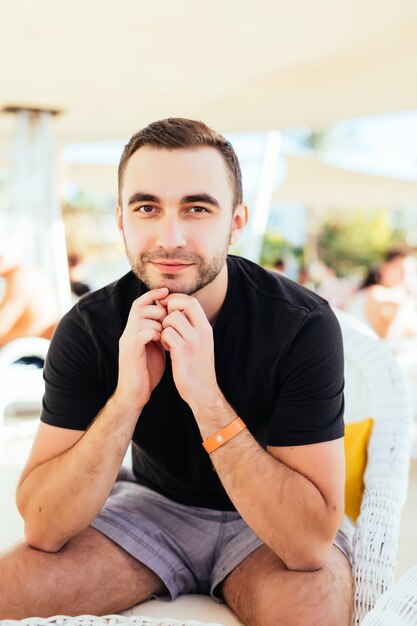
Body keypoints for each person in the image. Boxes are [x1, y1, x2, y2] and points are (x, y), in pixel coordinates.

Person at [0, 119, 353, 625]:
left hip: (270, 522)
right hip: (151, 510)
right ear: (121, 218)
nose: (171, 236)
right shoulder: (88, 327)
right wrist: (127, 399)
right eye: (147, 207)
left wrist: (206, 399)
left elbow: (308, 544)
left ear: (236, 221)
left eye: (197, 207)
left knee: (312, 613)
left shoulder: (302, 325)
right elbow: (42, 525)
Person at [346, 250, 417, 339]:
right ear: (384, 267)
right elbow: (384, 333)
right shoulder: (375, 293)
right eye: (399, 269)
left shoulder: (387, 295)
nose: (403, 275)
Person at [0, 251, 60, 347]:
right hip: (40, 347)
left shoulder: (19, 276)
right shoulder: (31, 272)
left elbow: (2, 326)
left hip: (29, 353)